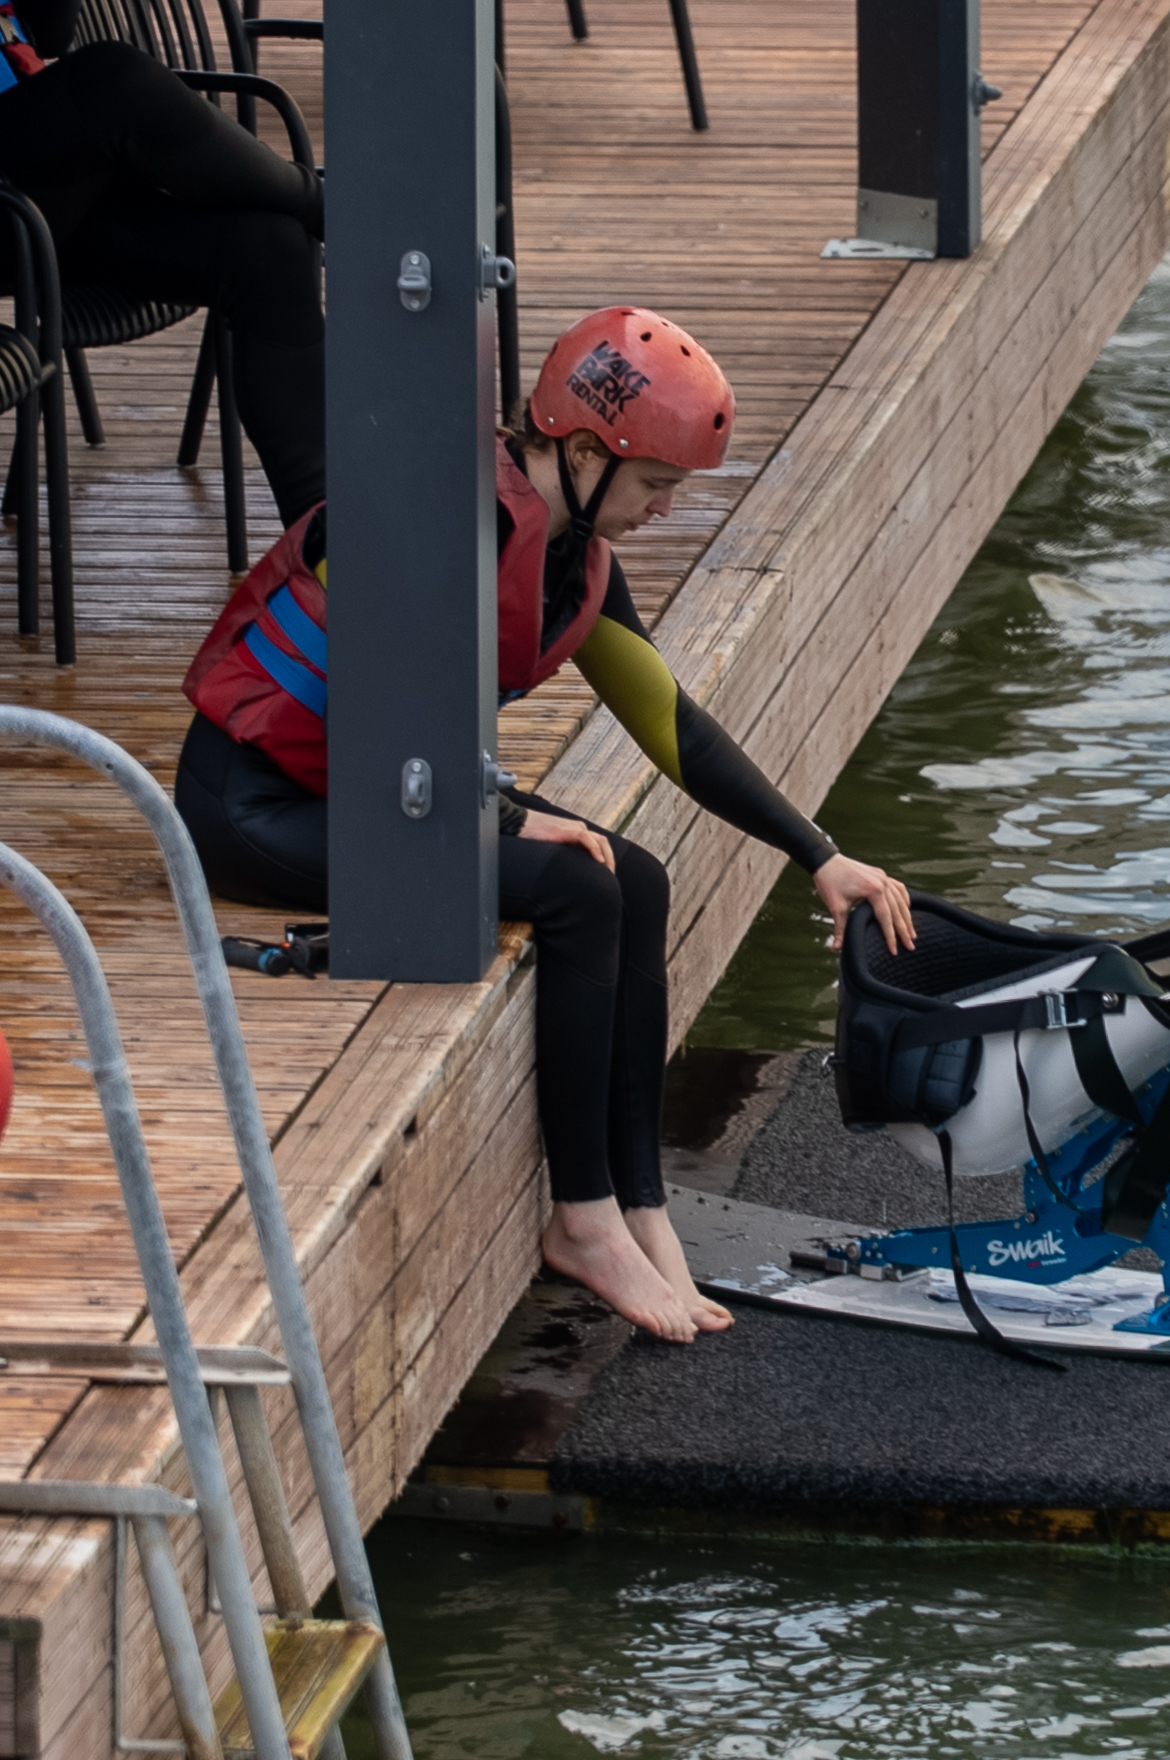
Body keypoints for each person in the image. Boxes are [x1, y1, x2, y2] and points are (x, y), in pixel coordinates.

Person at [171, 305, 918, 1341]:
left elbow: (673, 728)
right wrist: (506, 814)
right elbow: (387, 716)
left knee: (637, 874)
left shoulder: (568, 553)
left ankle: (638, 1202)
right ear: (579, 451)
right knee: (573, 886)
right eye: (655, 486)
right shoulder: (430, 514)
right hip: (255, 805)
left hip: (381, 796)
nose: (663, 512)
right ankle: (581, 1221)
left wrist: (819, 856)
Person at [0, 0, 327, 523]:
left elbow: (52, 36)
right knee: (113, 78)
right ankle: (331, 210)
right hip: (15, 204)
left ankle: (330, 543)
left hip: (40, 196)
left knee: (266, 248)